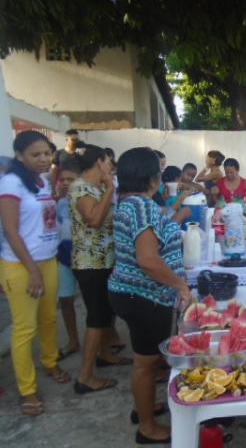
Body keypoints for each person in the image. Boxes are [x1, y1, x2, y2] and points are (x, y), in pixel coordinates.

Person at [108, 147, 194, 445]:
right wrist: (180, 286)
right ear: (153, 178)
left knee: (145, 360)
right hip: (144, 296)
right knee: (146, 363)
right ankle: (147, 426)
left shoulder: (128, 203)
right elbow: (148, 260)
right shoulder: (141, 207)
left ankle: (142, 407)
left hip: (131, 293)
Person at [0, 130, 70, 416]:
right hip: (21, 266)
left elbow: (42, 217)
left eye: (46, 153)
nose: (43, 159)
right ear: (20, 156)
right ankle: (27, 390)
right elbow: (11, 231)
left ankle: (50, 360)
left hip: (47, 260)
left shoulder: (40, 181)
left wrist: (57, 195)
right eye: (35, 154)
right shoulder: (10, 183)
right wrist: (32, 271)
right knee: (25, 328)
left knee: (49, 317)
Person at [70, 144, 130, 395]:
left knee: (106, 313)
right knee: (96, 318)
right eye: (107, 161)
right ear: (99, 162)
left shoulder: (95, 187)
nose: (110, 166)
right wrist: (111, 188)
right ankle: (85, 377)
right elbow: (93, 219)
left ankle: (105, 355)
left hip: (105, 260)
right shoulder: (81, 188)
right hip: (90, 263)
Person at [56, 159, 81, 360]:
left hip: (84, 258)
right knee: (65, 300)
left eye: (70, 179)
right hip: (64, 257)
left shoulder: (87, 202)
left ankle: (105, 341)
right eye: (62, 179)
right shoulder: (60, 203)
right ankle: (73, 340)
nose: (65, 183)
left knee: (95, 304)